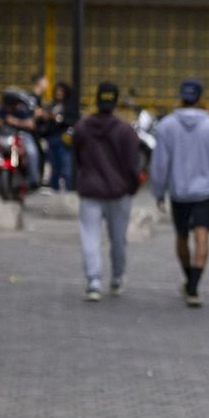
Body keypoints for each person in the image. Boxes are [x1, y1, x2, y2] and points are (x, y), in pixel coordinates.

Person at [151, 79, 209, 307]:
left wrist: (158, 191)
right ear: (200, 98)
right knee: (202, 235)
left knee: (181, 235)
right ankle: (194, 285)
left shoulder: (166, 125)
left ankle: (188, 279)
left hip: (179, 190)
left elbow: (160, 163)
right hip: (205, 190)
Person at [72, 81, 141, 302]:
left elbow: (76, 158)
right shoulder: (125, 131)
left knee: (89, 237)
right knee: (118, 239)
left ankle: (93, 281)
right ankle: (117, 278)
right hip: (119, 193)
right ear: (116, 101)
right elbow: (133, 165)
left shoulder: (82, 127)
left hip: (90, 191)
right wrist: (132, 187)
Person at [0, 85, 42, 206]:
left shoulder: (21, 112)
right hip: (2, 140)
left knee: (32, 152)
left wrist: (15, 122)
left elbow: (31, 124)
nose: (16, 105)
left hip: (20, 139)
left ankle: (33, 180)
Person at [42, 81, 77, 191]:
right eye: (57, 91)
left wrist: (58, 118)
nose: (58, 93)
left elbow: (73, 121)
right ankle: (54, 190)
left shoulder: (70, 106)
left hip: (64, 140)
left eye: (61, 91)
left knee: (66, 168)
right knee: (54, 168)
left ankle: (69, 189)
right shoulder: (51, 105)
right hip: (52, 139)